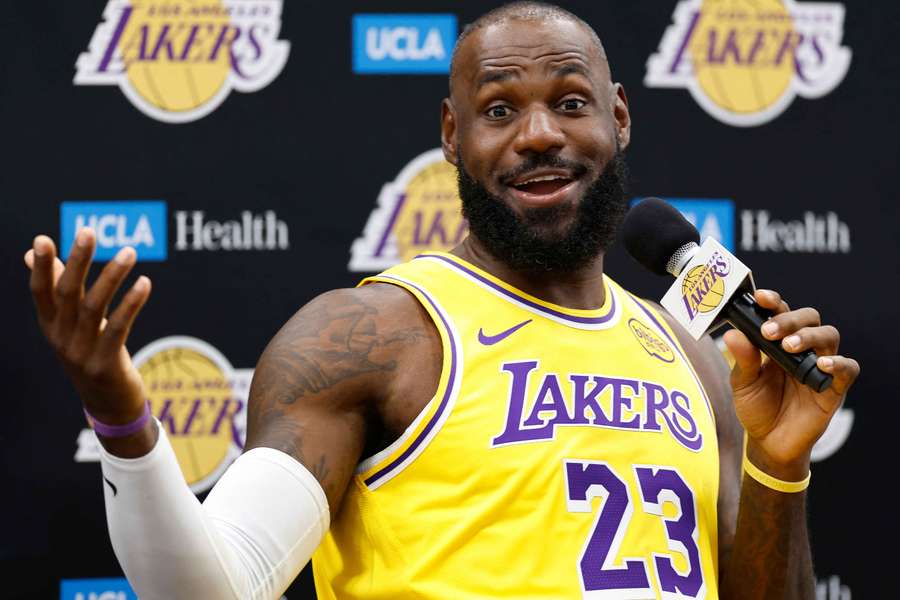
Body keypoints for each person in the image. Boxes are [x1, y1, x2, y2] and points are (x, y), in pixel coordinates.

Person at [25, 3, 859, 599]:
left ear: (619, 118)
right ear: (454, 137)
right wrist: (119, 414)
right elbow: (212, 586)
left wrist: (779, 468)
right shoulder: (375, 337)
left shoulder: (693, 358)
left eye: (570, 102)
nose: (538, 133)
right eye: (499, 110)